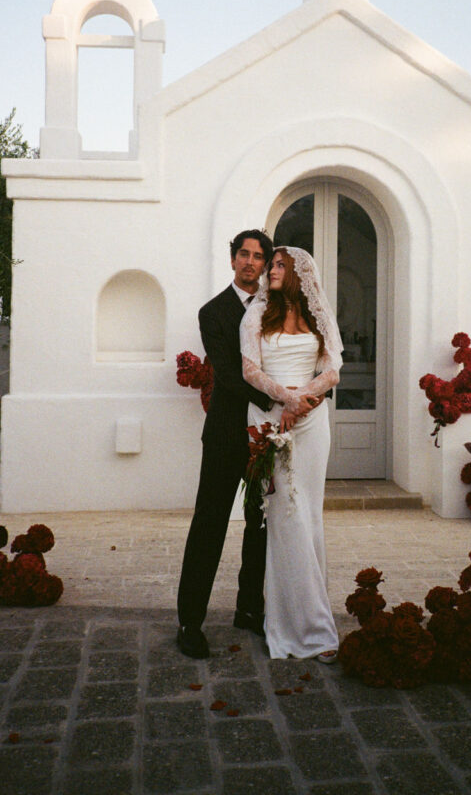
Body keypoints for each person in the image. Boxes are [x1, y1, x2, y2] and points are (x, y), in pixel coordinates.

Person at [176, 230, 316, 659]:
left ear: (266, 263)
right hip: (227, 433)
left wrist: (301, 397)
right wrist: (281, 399)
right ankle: (189, 622)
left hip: (269, 435)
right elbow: (229, 374)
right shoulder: (213, 312)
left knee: (261, 524)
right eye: (244, 254)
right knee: (210, 523)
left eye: (259, 256)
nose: (251, 262)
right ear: (233, 259)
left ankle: (249, 609)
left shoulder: (279, 307)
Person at [240, 246, 343, 661]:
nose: (271, 269)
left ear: (299, 273)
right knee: (287, 515)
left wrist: (302, 401)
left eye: (280, 265)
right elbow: (250, 370)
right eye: (273, 264)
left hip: (312, 422)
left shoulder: (318, 317)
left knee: (310, 514)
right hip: (271, 420)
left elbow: (331, 371)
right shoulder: (256, 315)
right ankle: (302, 627)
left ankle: (315, 613)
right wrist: (286, 399)